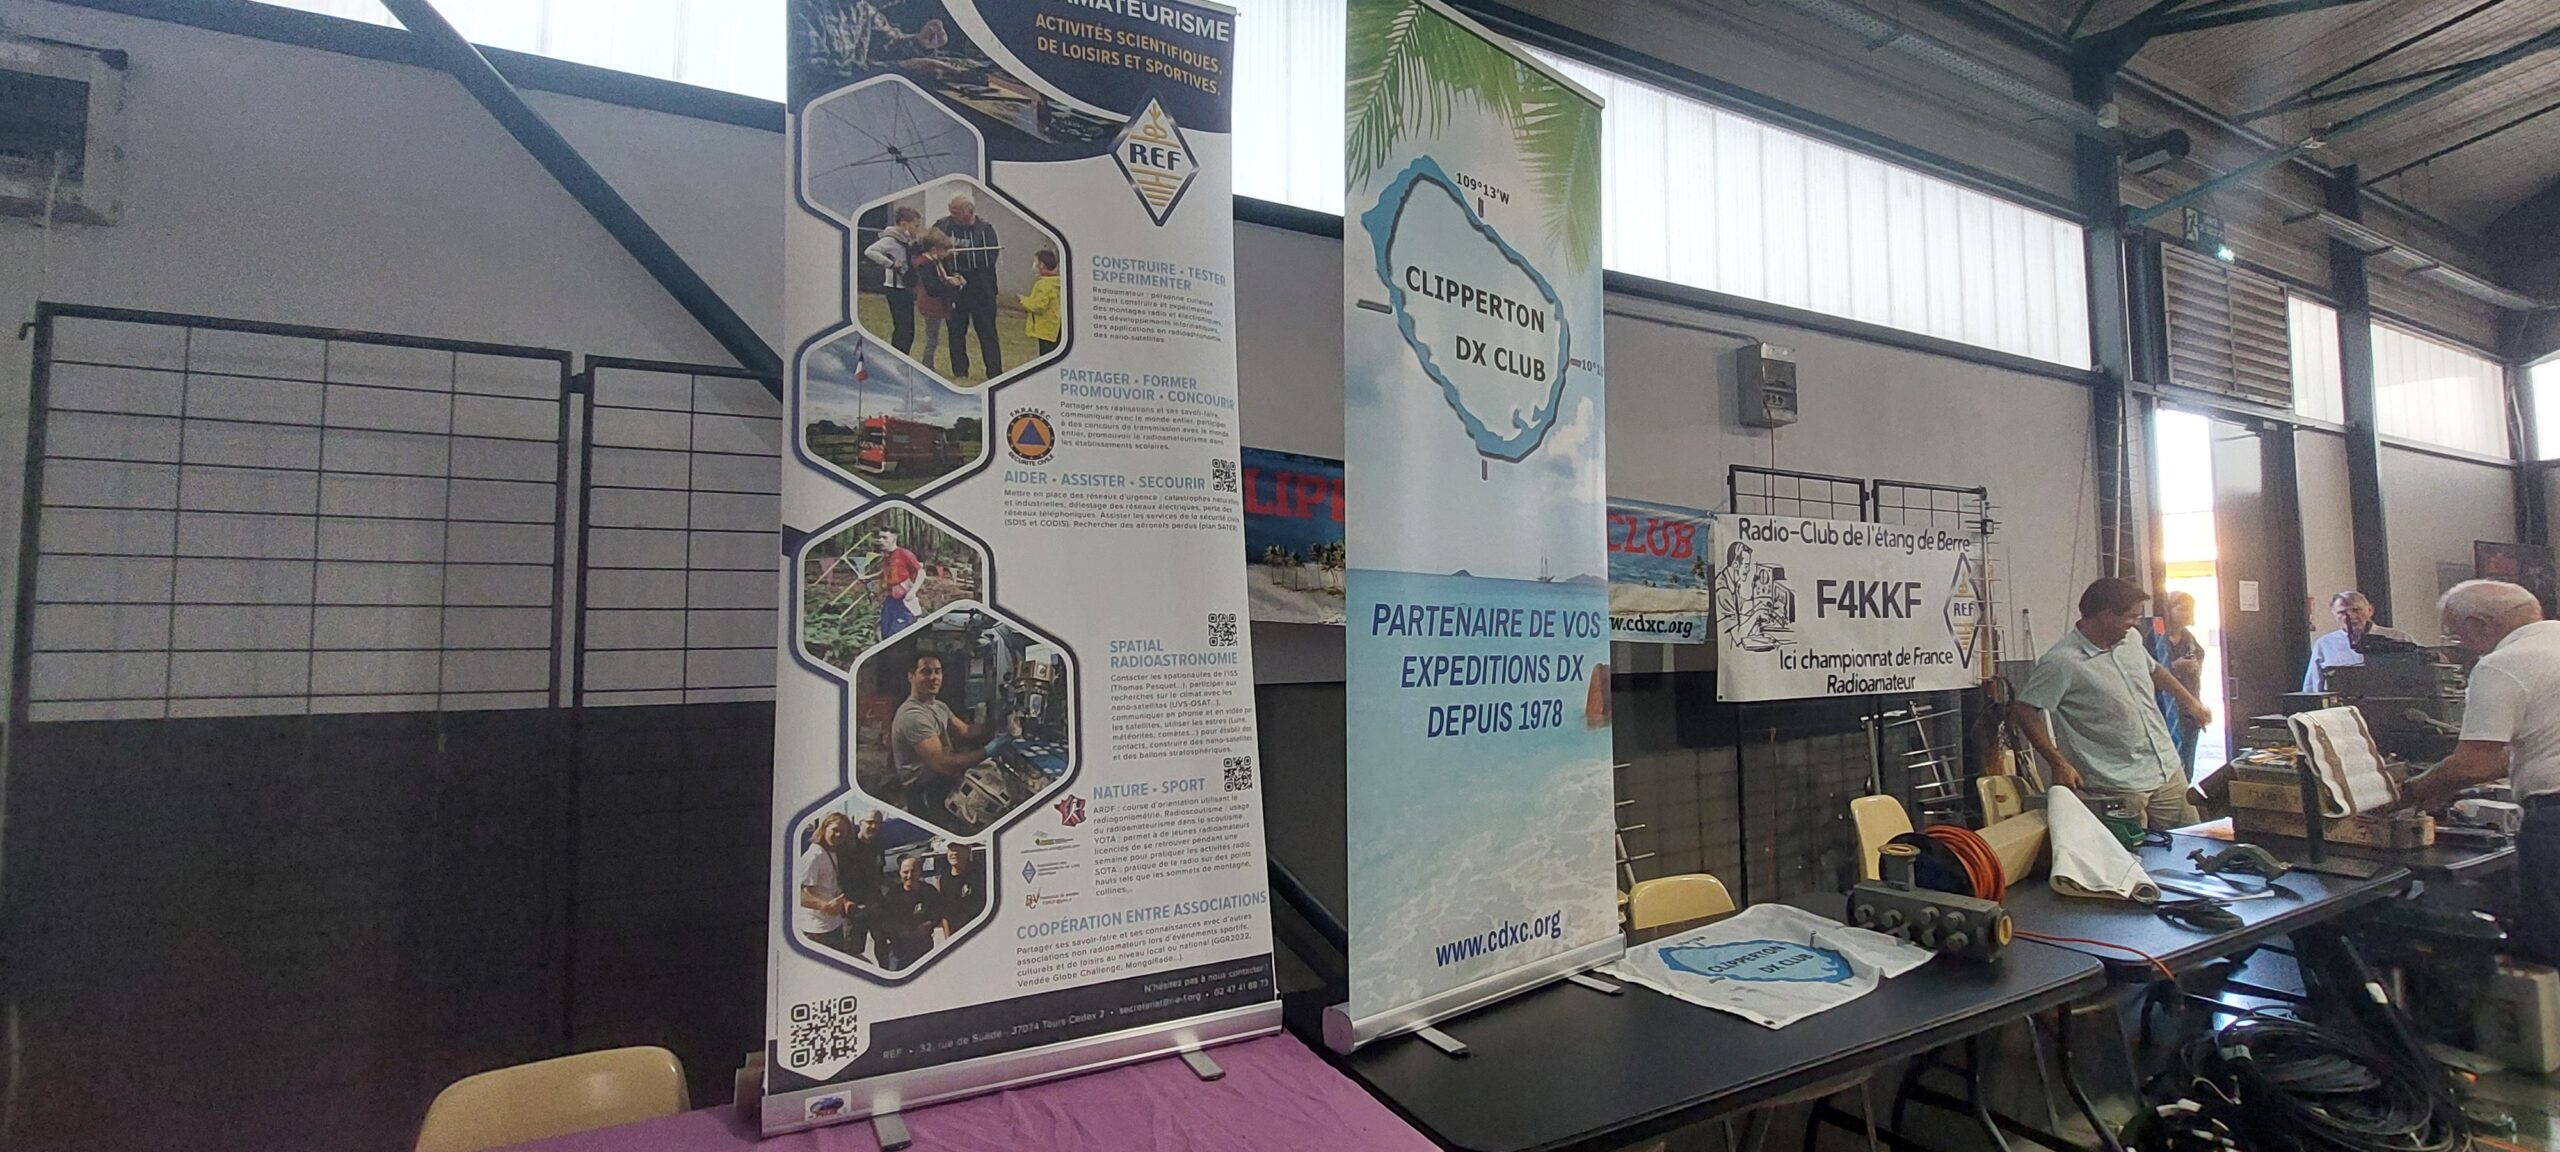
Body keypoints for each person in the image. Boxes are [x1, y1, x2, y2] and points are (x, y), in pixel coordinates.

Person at [2378, 580, 2560, 962]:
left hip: (2554, 817)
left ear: (2481, 624)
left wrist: (2404, 794)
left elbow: (2479, 762)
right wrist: (2447, 786)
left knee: (2550, 943)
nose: (2456, 646)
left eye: (2456, 633)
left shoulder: (2502, 664)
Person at [2009, 578, 2217, 830]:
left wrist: (2191, 703)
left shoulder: (2130, 640)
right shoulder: (2062, 662)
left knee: (2191, 839)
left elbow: (2154, 670)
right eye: (2131, 617)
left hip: (2165, 767)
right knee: (2130, 851)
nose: (2136, 623)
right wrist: (2058, 762)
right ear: (2106, 615)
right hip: (2116, 781)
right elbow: (2025, 710)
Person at [891, 649, 1006, 821]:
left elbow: (966, 731)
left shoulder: (938, 706)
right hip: (925, 793)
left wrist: (999, 721)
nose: (933, 677)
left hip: (941, 784)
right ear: (911, 676)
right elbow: (942, 764)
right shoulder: (913, 716)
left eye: (937, 671)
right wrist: (988, 750)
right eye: (926, 672)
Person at [934, 193, 1002, 380]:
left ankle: (994, 373)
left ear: (969, 212)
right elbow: (930, 247)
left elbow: (990, 258)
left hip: (981, 289)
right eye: (950, 211)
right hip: (954, 288)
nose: (952, 215)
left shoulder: (985, 229)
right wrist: (947, 263)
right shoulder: (943, 225)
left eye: (956, 212)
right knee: (955, 331)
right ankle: (960, 372)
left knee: (987, 332)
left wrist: (961, 254)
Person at [2302, 590, 2416, 693]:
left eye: (2356, 610)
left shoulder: (2400, 639)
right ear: (2334, 615)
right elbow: (2312, 688)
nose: (2350, 616)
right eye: (2342, 612)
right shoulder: (2324, 645)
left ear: (2370, 610)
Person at [2150, 591, 2207, 773]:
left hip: (2188, 712)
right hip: (2163, 711)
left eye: (2191, 609)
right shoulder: (2156, 638)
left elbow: (2195, 681)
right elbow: (2148, 672)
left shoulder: (2191, 641)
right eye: (2182, 609)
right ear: (2169, 610)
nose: (2188, 613)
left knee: (2187, 767)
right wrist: (2174, 667)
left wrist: (2197, 706)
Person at [861, 207, 926, 354]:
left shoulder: (907, 240)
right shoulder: (890, 239)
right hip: (895, 288)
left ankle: (903, 355)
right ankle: (898, 356)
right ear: (904, 224)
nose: (918, 229)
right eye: (915, 225)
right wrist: (890, 264)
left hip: (905, 286)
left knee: (909, 329)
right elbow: (870, 251)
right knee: (902, 329)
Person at [795, 813, 857, 955]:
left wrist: (844, 902)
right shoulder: (814, 856)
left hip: (833, 925)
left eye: (843, 832)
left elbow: (828, 886)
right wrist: (824, 906)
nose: (839, 834)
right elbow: (797, 893)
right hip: (817, 931)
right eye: (835, 829)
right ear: (824, 829)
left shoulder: (830, 852)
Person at [833, 809, 890, 962]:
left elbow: (880, 874)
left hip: (875, 904)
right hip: (854, 908)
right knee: (853, 951)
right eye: (870, 822)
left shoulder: (878, 845)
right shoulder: (846, 848)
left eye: (878, 823)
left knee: (883, 945)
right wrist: (846, 902)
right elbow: (838, 879)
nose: (874, 826)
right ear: (860, 823)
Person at [909, 230, 964, 374]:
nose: (947, 254)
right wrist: (951, 284)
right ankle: (927, 366)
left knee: (933, 338)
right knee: (932, 339)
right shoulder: (925, 265)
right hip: (930, 305)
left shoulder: (935, 262)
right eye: (944, 250)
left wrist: (953, 279)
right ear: (934, 250)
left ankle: (928, 364)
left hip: (936, 305)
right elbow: (932, 288)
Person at [877, 855, 943, 969]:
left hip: (923, 947)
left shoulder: (929, 891)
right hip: (899, 950)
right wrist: (899, 929)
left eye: (913, 871)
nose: (909, 875)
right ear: (900, 873)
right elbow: (885, 920)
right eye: (905, 872)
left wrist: (927, 925)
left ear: (920, 871)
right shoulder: (893, 895)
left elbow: (938, 914)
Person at [875, 529, 923, 638]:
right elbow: (884, 573)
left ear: (894, 538)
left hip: (905, 600)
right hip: (891, 600)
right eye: (880, 537)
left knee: (899, 632)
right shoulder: (887, 557)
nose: (881, 540)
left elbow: (921, 572)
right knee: (885, 630)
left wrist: (912, 592)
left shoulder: (904, 553)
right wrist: (868, 578)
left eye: (885, 538)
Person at [937, 841, 986, 933]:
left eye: (959, 849)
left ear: (968, 851)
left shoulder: (979, 874)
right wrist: (948, 937)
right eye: (951, 849)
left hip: (978, 931)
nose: (954, 853)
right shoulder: (944, 879)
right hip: (956, 934)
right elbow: (944, 913)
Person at [1020, 248, 1062, 355]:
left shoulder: (1043, 284)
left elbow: (1038, 306)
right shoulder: (1057, 282)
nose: (1033, 266)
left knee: (1046, 355)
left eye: (1035, 262)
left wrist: (1023, 300)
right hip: (1054, 327)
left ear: (1042, 265)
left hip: (1045, 329)